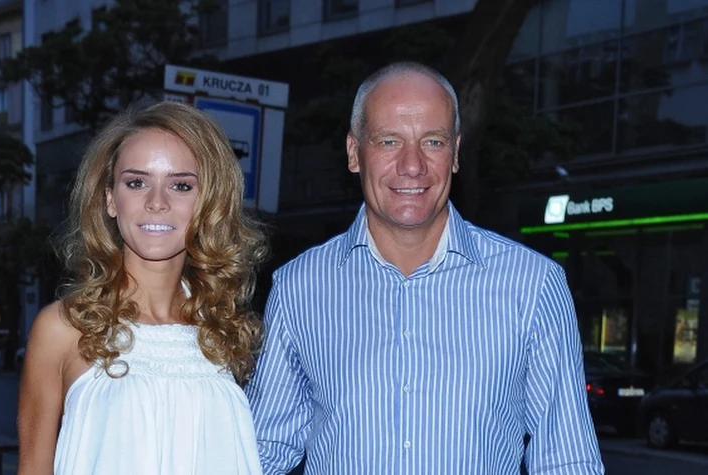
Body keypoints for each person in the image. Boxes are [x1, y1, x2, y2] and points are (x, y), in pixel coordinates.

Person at [245, 61, 604, 474]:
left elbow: (567, 460)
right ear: (354, 152)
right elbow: (262, 451)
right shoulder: (299, 287)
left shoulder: (533, 285)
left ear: (455, 153)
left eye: (433, 141)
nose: (412, 165)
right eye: (389, 141)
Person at [17, 101, 267, 475]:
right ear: (110, 199)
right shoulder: (63, 329)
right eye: (136, 183)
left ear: (207, 202)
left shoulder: (226, 332)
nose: (157, 202)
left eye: (181, 185)